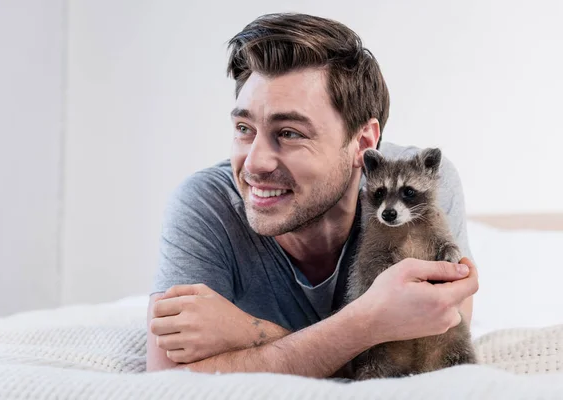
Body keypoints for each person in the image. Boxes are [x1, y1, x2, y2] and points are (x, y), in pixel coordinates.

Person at [146, 12, 479, 378]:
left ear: (363, 143)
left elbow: (430, 351)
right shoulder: (204, 205)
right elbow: (166, 381)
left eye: (289, 133)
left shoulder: (419, 186)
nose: (254, 163)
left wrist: (249, 331)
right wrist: (367, 330)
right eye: (244, 128)